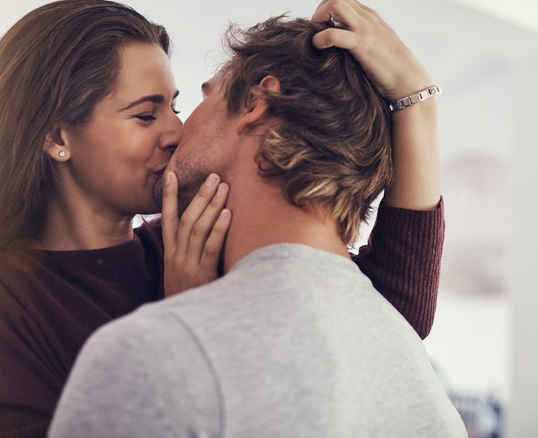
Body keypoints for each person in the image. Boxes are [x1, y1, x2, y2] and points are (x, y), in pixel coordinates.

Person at [0, 0, 445, 437]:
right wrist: (185, 313)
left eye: (175, 106)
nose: (175, 130)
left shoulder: (187, 234)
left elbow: (381, 311)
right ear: (55, 137)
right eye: (145, 114)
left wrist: (416, 107)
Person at [50, 9, 462, 438]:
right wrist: (417, 104)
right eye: (146, 114)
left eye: (201, 98)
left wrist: (187, 324)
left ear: (254, 104)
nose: (175, 131)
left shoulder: (152, 356)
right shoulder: (409, 367)